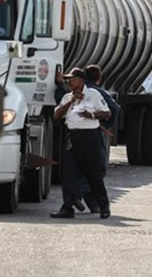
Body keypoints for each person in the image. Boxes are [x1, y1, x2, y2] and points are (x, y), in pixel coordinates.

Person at [51, 67, 112, 219]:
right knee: (69, 175)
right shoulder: (67, 97)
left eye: (73, 79)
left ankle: (104, 206)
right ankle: (67, 208)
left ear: (81, 80)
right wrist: (71, 102)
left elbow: (107, 112)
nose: (69, 82)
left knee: (94, 175)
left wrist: (91, 114)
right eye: (68, 79)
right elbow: (57, 115)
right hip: (73, 137)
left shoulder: (93, 94)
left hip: (90, 138)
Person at [76, 64, 120, 213]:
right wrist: (106, 125)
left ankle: (94, 205)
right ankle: (78, 194)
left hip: (75, 133)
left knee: (81, 167)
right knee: (97, 168)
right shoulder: (98, 92)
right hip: (94, 133)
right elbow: (114, 108)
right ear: (99, 78)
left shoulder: (75, 92)